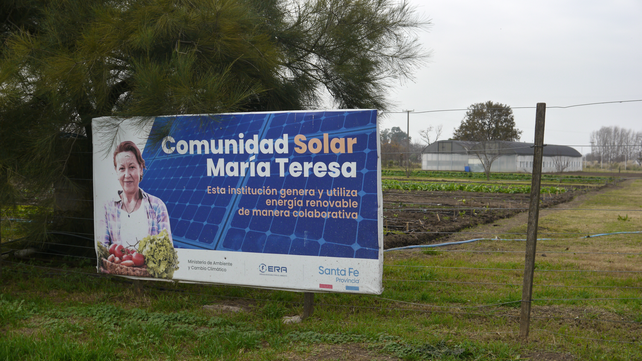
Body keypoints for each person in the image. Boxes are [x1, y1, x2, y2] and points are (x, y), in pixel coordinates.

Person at [102, 140, 172, 249]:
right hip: (117, 266)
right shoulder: (107, 208)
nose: (127, 174)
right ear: (116, 171)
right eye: (121, 168)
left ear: (140, 169)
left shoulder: (157, 206)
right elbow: (102, 250)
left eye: (131, 167)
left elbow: (167, 251)